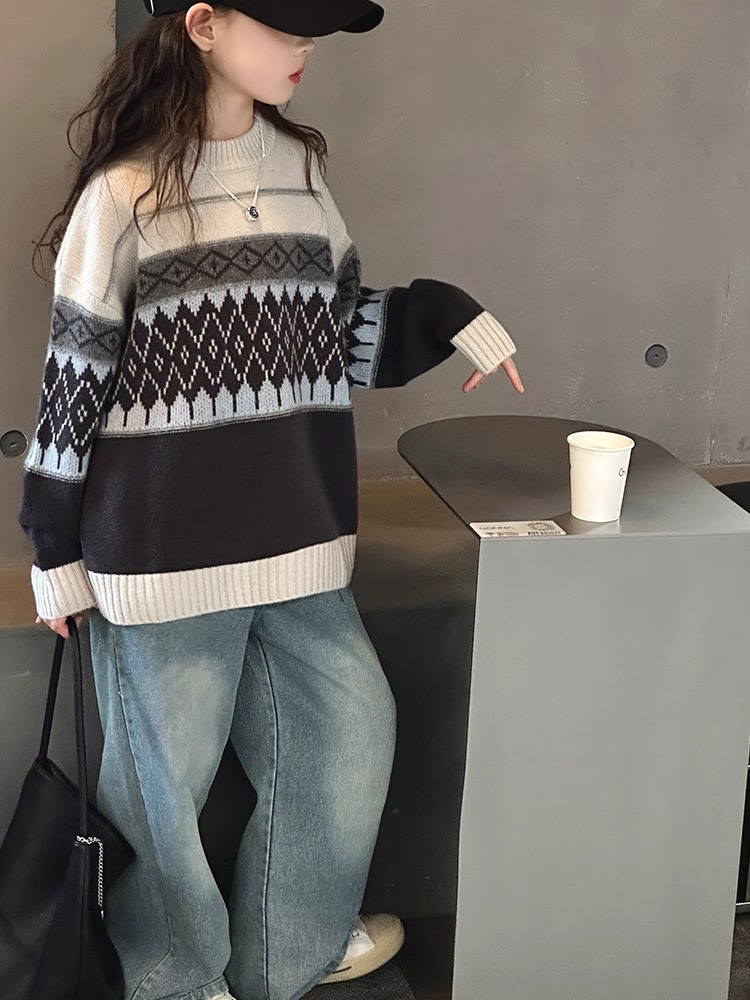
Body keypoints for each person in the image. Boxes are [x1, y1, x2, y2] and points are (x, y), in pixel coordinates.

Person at [19, 1, 525, 998]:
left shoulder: (298, 169)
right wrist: (54, 549)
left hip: (298, 538)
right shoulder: (125, 195)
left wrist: (442, 313)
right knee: (163, 793)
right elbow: (72, 384)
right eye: (287, 27)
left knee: (348, 735)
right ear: (203, 24)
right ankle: (175, 979)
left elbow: (333, 336)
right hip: (162, 556)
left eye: (311, 31)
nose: (305, 47)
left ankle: (283, 956)